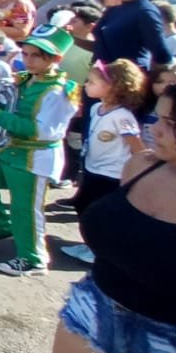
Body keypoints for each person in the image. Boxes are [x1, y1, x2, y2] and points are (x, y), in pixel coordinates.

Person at [51, 79, 176, 353]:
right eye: (157, 118)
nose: (154, 129)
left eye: (171, 123)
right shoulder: (141, 166)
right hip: (90, 312)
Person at [0, 21, 79, 277]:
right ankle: (0, 226)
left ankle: (33, 258)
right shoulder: (25, 80)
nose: (28, 60)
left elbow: (42, 132)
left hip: (35, 156)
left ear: (55, 59)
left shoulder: (58, 92)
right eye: (26, 54)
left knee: (25, 208)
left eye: (36, 56)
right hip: (9, 148)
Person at [59, 59, 148, 264]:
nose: (86, 85)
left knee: (101, 213)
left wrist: (140, 172)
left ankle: (100, 250)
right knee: (83, 206)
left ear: (113, 87)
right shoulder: (96, 108)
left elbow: (137, 146)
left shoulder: (122, 116)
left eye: (92, 82)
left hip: (112, 175)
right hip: (92, 169)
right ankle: (89, 244)